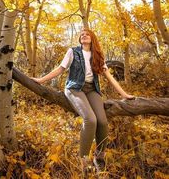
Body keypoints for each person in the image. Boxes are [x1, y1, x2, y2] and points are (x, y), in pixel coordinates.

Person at [32, 28, 134, 173]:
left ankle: (99, 158)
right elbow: (60, 69)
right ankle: (84, 161)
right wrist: (41, 80)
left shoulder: (97, 55)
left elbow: (109, 77)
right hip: (75, 89)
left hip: (92, 89)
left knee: (103, 122)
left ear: (92, 38)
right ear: (80, 39)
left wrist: (124, 94)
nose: (84, 36)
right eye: (82, 35)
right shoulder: (73, 52)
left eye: (87, 34)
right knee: (90, 120)